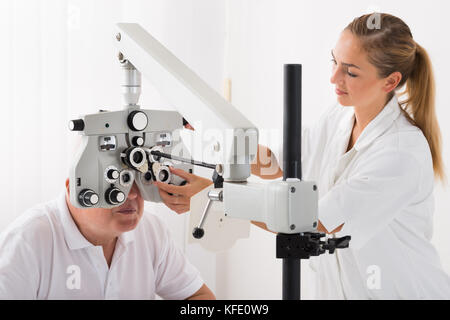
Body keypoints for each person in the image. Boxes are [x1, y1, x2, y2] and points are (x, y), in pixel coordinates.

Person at [155, 13, 450, 299]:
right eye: (334, 61)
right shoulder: (339, 118)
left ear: (390, 81)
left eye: (351, 71)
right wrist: (214, 130)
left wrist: (215, 195)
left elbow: (313, 221)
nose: (334, 77)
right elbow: (276, 163)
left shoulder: (401, 153)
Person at [0, 178, 215, 300]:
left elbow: (198, 297)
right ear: (74, 189)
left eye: (139, 180)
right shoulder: (28, 239)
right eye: (115, 184)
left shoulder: (151, 230)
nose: (131, 195)